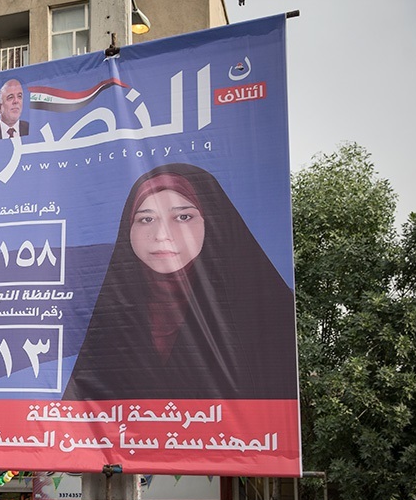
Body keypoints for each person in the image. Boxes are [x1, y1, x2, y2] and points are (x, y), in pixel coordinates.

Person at [64, 163, 298, 400]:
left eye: (183, 217)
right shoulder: (111, 314)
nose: (161, 235)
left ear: (213, 223)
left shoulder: (268, 309)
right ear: (128, 228)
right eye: (146, 219)